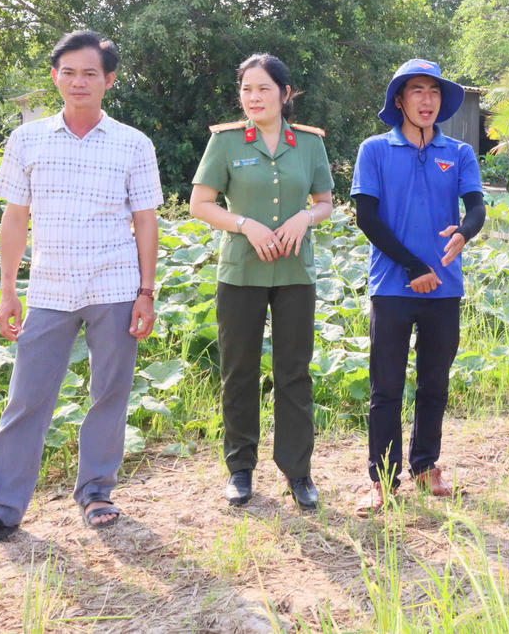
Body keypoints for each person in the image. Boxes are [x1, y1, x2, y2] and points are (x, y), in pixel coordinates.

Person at [0, 30, 162, 553]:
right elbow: (15, 217)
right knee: (27, 398)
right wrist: (7, 290)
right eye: (68, 72)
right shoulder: (27, 140)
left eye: (90, 73)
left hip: (114, 284)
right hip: (48, 287)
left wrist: (146, 291)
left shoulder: (133, 143)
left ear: (109, 80)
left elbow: (145, 221)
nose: (78, 82)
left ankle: (96, 491)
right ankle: (1, 509)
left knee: (109, 393)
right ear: (55, 77)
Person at [189, 54, 333, 511]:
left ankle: (298, 471)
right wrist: (245, 224)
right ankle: (240, 468)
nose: (253, 97)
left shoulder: (308, 143)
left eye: (263, 88)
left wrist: (304, 218)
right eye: (246, 89)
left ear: (284, 94)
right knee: (239, 371)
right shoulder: (225, 141)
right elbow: (200, 203)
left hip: (294, 273)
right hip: (240, 273)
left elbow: (325, 201)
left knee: (294, 373)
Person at [350, 59, 484, 514]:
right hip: (391, 286)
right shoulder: (374, 150)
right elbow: (367, 218)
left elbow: (476, 208)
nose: (427, 100)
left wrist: (464, 232)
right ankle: (382, 480)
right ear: (399, 100)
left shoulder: (459, 153)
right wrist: (412, 267)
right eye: (417, 91)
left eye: (434, 91)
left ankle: (425, 466)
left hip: (444, 288)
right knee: (386, 387)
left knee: (434, 384)